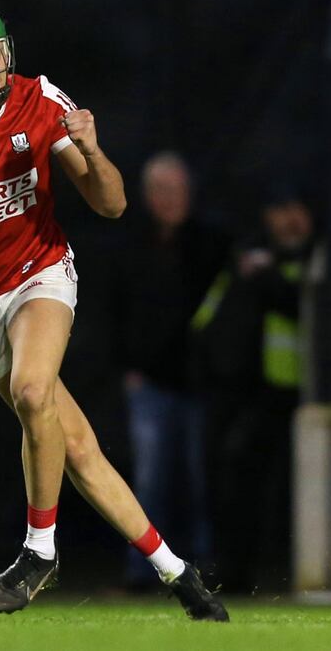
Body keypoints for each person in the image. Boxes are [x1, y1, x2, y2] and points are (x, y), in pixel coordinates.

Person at [0, 0, 228, 621]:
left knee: (32, 392)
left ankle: (39, 550)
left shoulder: (41, 101)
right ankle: (179, 574)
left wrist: (94, 149)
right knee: (73, 444)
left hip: (40, 271)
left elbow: (111, 205)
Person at [111, 151, 231, 589]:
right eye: (160, 189)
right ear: (146, 195)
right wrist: (128, 366)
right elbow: (116, 310)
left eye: (176, 189)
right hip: (151, 383)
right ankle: (144, 571)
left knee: (202, 482)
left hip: (200, 382)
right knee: (150, 483)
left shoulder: (213, 244)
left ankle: (205, 568)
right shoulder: (132, 245)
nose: (168, 198)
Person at [191, 187, 313, 593]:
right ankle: (230, 571)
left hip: (285, 394)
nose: (288, 220)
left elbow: (304, 305)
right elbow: (210, 317)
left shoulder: (309, 259)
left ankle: (275, 572)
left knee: (270, 489)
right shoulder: (245, 258)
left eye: (295, 209)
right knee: (229, 484)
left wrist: (266, 274)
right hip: (235, 391)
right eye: (280, 209)